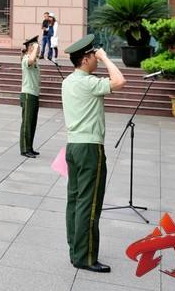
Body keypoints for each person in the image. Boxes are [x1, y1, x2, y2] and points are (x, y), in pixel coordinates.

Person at [62, 35, 127, 273]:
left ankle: (75, 249)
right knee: (89, 203)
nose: (97, 60)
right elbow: (120, 81)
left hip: (73, 146)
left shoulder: (69, 81)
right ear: (86, 58)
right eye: (94, 57)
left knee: (75, 200)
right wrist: (107, 57)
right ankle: (86, 257)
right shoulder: (88, 83)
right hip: (89, 149)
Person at [20, 35, 41, 158]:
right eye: (36, 46)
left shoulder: (34, 60)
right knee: (27, 123)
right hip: (27, 95)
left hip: (34, 94)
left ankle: (30, 147)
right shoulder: (26, 59)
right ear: (30, 48)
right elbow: (30, 61)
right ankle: (24, 149)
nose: (38, 49)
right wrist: (35, 48)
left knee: (32, 123)